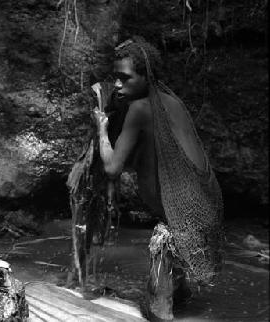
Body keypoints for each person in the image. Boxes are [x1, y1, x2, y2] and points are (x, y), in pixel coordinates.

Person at [93, 36, 224, 321]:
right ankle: (179, 291)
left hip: (177, 224)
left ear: (146, 76)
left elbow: (113, 168)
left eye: (124, 78)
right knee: (180, 299)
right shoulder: (172, 102)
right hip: (206, 212)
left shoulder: (140, 109)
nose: (117, 85)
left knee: (156, 312)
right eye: (115, 78)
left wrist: (101, 130)